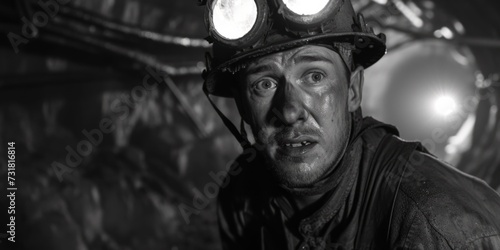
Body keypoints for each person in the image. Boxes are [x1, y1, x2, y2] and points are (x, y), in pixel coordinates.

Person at [201, 0, 500, 249]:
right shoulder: (241, 195)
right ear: (241, 105)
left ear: (353, 90)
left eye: (314, 77)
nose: (290, 111)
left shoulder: (439, 223)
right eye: (264, 84)